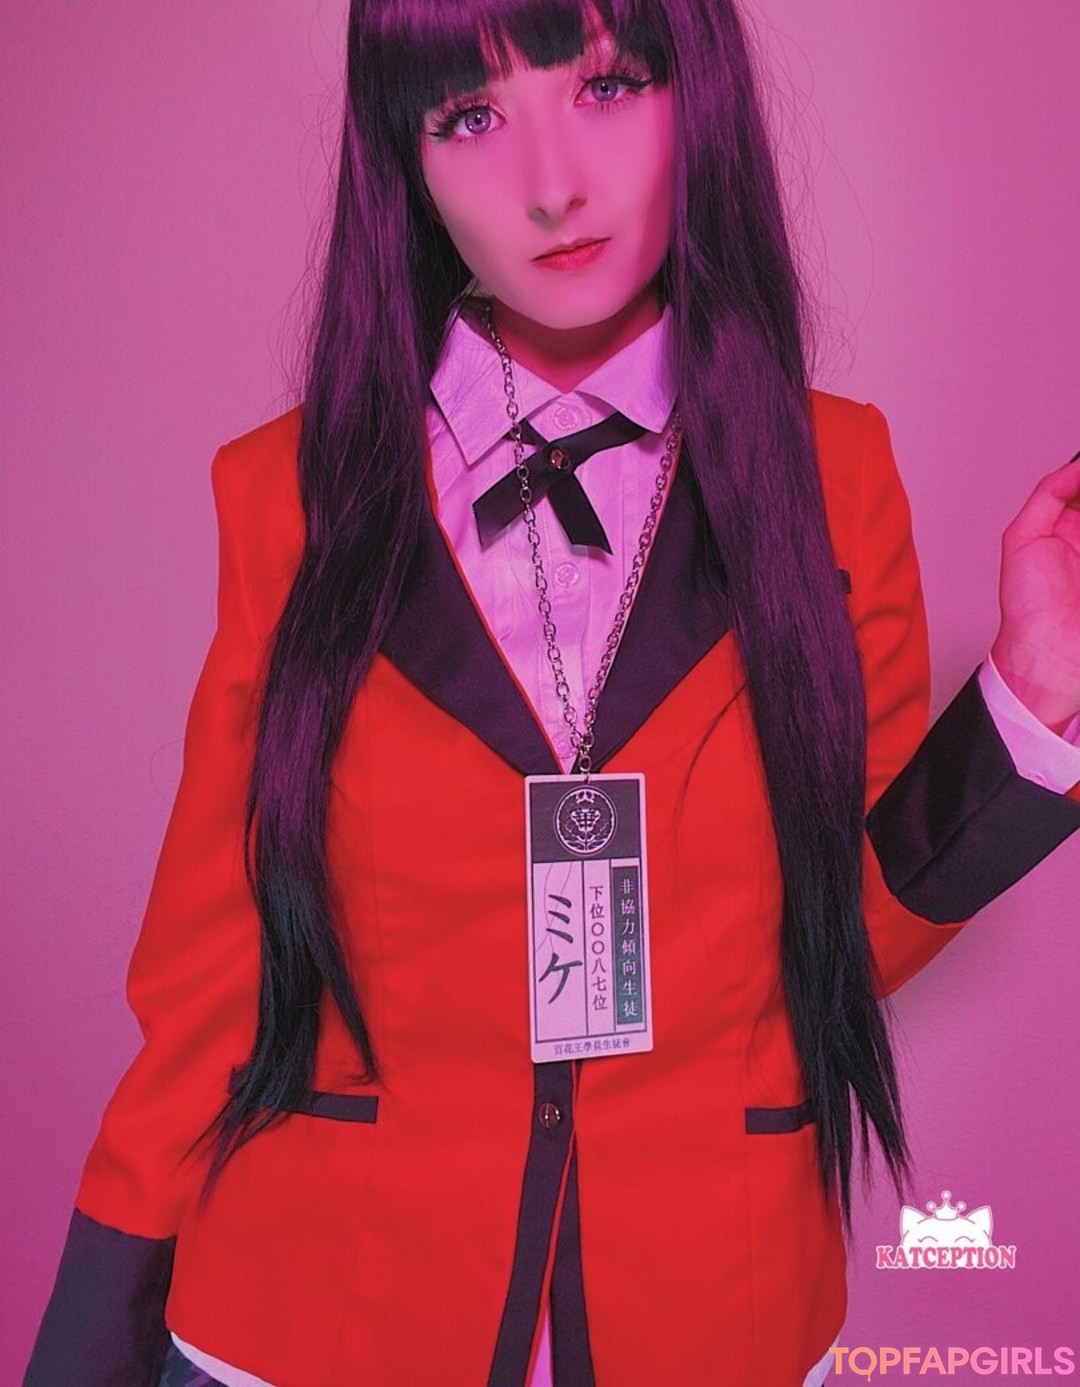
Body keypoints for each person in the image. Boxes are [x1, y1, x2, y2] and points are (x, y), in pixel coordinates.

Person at [24, 1, 1080, 1384]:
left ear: (698, 99)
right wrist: (90, 1345)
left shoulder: (833, 476)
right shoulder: (286, 494)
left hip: (711, 1309)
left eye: (608, 87)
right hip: (325, 1311)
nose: (550, 185)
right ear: (404, 162)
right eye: (468, 117)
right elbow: (209, 977)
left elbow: (838, 935)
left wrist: (1030, 700)